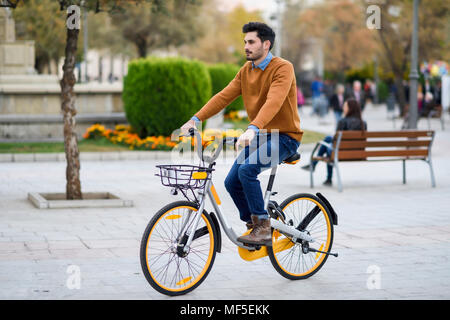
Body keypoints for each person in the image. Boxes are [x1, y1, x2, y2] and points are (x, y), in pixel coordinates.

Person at [180, 22, 302, 245]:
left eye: (251, 42)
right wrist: (195, 119)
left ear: (266, 44)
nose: (246, 46)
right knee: (231, 182)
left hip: (284, 137)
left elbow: (273, 101)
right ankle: (253, 224)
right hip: (261, 137)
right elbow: (223, 97)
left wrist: (253, 128)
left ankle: (263, 227)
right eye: (245, 42)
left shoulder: (283, 67)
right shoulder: (246, 71)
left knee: (247, 170)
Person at [301, 99, 367, 186]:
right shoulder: (363, 123)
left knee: (328, 145)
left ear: (350, 109)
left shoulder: (342, 121)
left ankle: (317, 168)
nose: (343, 108)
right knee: (328, 139)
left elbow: (336, 140)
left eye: (345, 106)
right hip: (358, 153)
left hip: (340, 153)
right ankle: (317, 169)